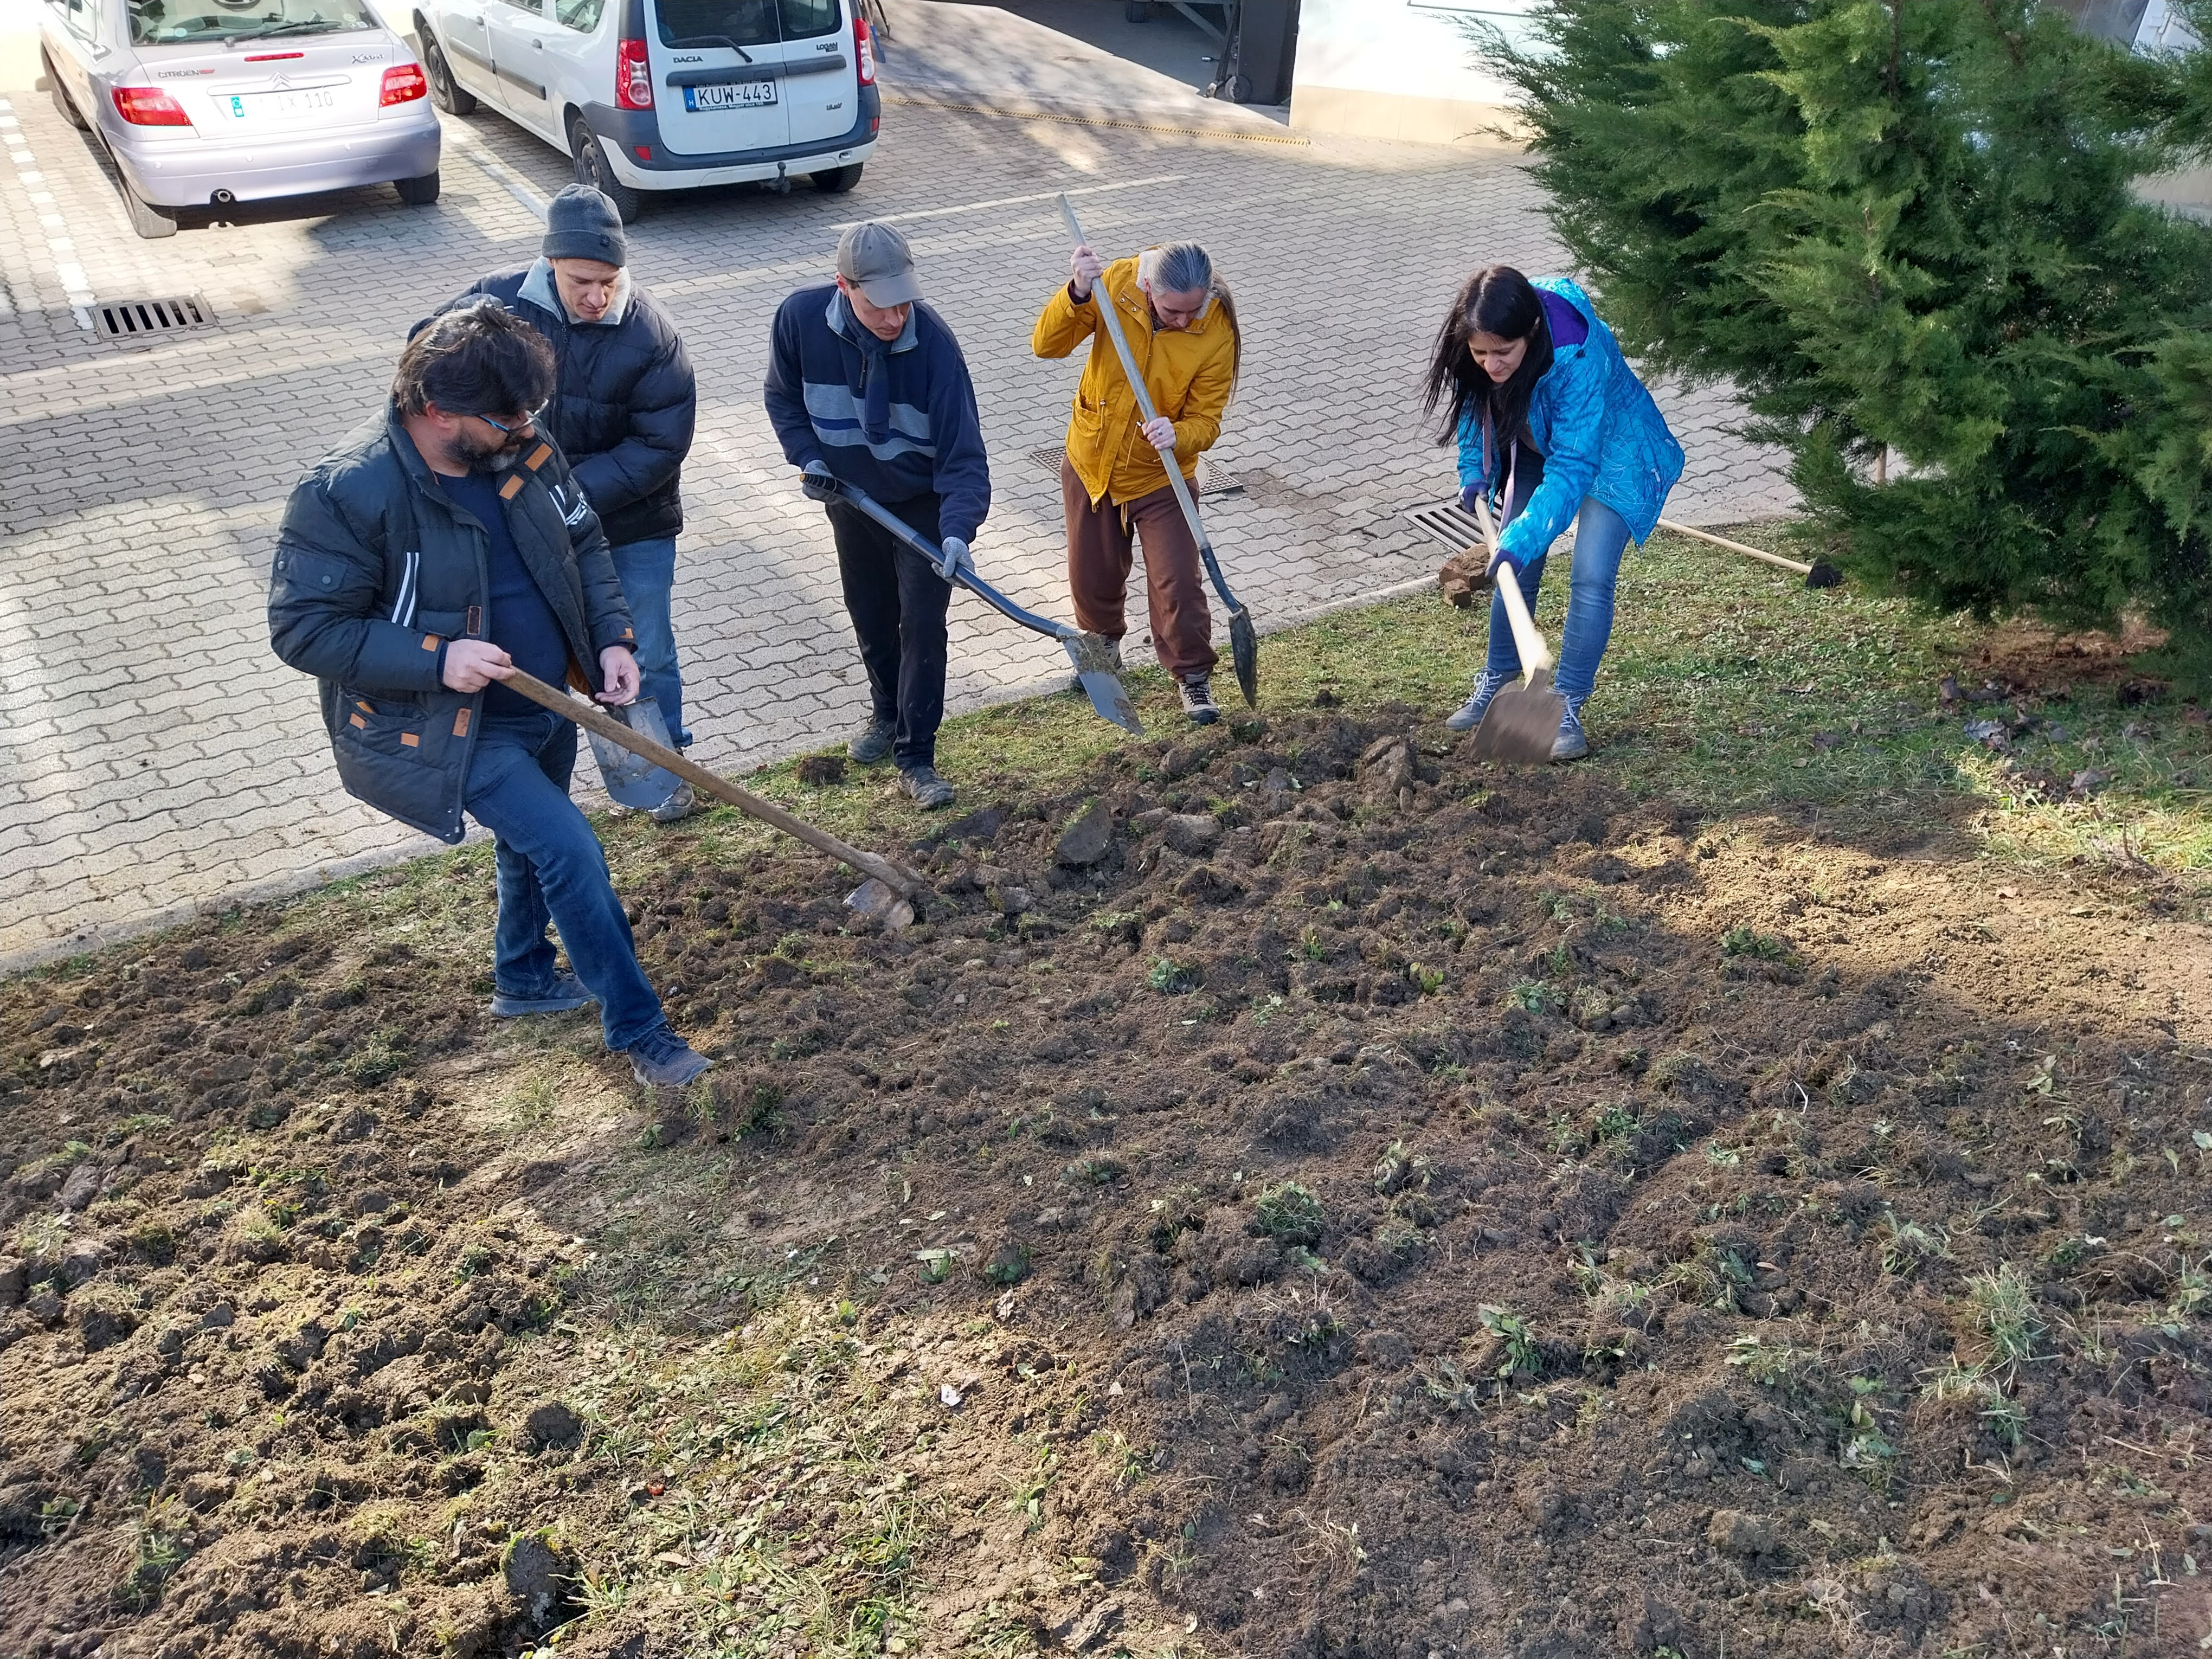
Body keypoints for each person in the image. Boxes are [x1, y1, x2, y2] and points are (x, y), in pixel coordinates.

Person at [268, 299, 712, 1088]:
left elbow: (583, 539)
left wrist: (611, 639)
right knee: (570, 850)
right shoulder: (347, 492)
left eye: (529, 413)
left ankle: (524, 976)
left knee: (528, 843)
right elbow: (305, 631)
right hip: (450, 726)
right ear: (438, 410)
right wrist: (438, 659)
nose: (526, 429)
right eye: (507, 418)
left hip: (547, 702)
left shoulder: (522, 446)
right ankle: (643, 1034)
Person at [425, 184, 699, 820]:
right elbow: (425, 363)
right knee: (543, 652)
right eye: (581, 281)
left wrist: (559, 497)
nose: (597, 297)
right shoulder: (494, 305)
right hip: (522, 527)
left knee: (646, 650)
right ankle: (545, 787)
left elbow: (660, 446)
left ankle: (668, 774)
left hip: (631, 524)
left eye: (609, 281)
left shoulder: (652, 334)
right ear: (549, 263)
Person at [763, 220, 991, 811]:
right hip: (850, 495)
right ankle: (886, 714)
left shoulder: (935, 347)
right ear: (844, 286)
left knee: (922, 624)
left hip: (921, 503)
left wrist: (957, 533)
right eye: (880, 306)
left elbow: (964, 459)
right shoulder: (799, 320)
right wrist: (809, 457)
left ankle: (917, 757)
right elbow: (782, 398)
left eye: (904, 302)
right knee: (869, 611)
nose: (895, 318)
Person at [1423, 265, 1684, 760]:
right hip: (1536, 438)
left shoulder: (1575, 352)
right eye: (1481, 354)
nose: (1492, 364)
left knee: (1590, 574)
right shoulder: (1478, 337)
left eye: (1504, 352)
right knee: (1513, 570)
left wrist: (1524, 538)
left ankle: (1566, 705)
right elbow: (1476, 404)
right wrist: (1474, 468)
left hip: (1611, 446)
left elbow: (1573, 466)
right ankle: (1500, 680)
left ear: (1532, 332)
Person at [1033, 238, 1238, 726]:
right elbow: (1047, 346)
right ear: (1148, 288)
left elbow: (1207, 421)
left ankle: (1193, 675)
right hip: (1093, 460)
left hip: (1161, 473)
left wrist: (1180, 433)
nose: (1184, 321)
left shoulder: (1216, 328)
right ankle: (1102, 653)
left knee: (1178, 582)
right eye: (1172, 311)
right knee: (1093, 573)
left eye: (1193, 310)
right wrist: (1078, 292)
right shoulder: (1116, 284)